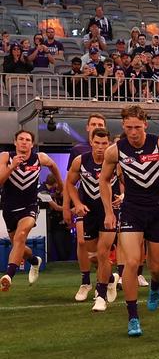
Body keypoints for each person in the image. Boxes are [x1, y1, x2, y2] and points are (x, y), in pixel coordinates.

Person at [99, 105, 159, 336]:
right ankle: (133, 317)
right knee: (132, 261)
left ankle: (155, 286)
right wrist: (108, 211)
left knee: (155, 267)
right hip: (131, 211)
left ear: (145, 124)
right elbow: (104, 181)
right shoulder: (115, 151)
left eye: (137, 127)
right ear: (123, 126)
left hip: (158, 212)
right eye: (128, 127)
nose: (133, 132)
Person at [65, 128, 120, 310]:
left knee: (103, 253)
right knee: (93, 255)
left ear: (109, 144)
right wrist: (77, 203)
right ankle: (110, 277)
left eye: (104, 143)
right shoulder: (80, 161)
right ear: (91, 142)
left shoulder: (115, 161)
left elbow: (129, 182)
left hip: (108, 212)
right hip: (88, 212)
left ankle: (101, 295)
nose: (100, 147)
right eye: (97, 143)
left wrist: (124, 196)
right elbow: (70, 183)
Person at [0, 130, 61, 292]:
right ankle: (34, 260)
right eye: (21, 139)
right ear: (15, 142)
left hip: (30, 206)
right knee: (18, 245)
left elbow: (53, 166)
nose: (24, 142)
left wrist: (61, 186)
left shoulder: (39, 158)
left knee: (21, 236)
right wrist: (12, 167)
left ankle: (8, 275)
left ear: (32, 144)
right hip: (9, 208)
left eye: (27, 140)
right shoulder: (6, 157)